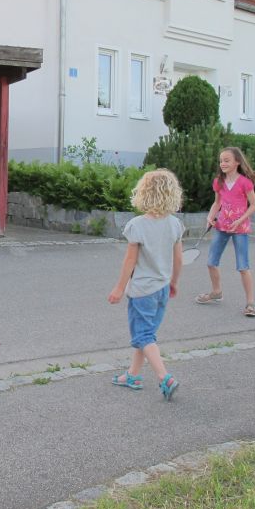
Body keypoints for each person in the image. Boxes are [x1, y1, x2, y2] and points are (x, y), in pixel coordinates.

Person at [108, 169, 184, 401]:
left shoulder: (137, 225)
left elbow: (130, 261)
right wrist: (173, 282)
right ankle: (133, 375)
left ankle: (164, 377)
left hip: (142, 291)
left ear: (144, 193)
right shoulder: (175, 224)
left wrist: (119, 288)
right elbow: (178, 259)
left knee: (143, 335)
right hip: (162, 288)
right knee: (146, 334)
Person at [196, 147, 255, 317]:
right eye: (221, 161)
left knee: (243, 267)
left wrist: (240, 220)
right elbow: (217, 203)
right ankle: (216, 292)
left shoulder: (245, 183)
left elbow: (254, 205)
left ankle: (250, 304)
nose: (222, 163)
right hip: (221, 227)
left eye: (227, 160)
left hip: (240, 229)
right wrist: (210, 217)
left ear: (237, 162)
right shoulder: (218, 182)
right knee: (211, 262)